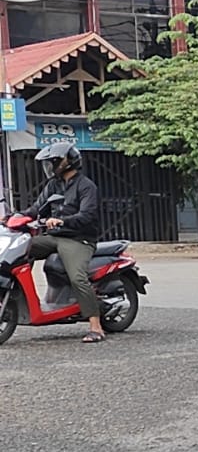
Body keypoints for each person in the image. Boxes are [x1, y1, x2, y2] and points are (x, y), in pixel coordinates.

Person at [24, 141, 104, 343]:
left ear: (67, 162)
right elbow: (35, 209)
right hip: (54, 237)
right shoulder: (53, 185)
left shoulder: (86, 186)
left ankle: (96, 326)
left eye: (54, 162)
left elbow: (86, 216)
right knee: (21, 249)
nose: (50, 166)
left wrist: (62, 220)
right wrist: (13, 218)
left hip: (79, 239)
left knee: (77, 277)